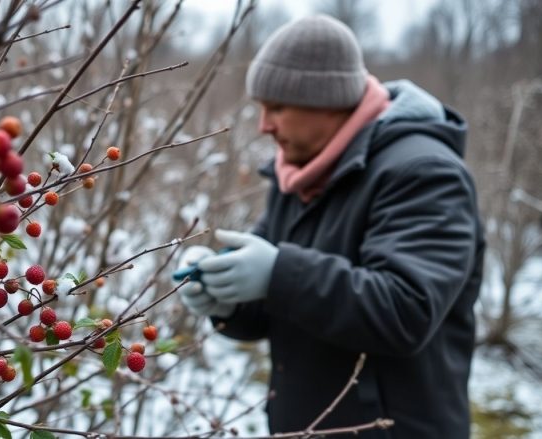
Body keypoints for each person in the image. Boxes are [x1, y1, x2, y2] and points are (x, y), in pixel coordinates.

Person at [174, 14, 485, 439]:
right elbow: (276, 300)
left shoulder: (424, 172)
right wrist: (222, 294)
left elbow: (406, 310)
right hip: (308, 427)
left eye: (277, 107)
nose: (264, 125)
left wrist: (277, 272)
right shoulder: (298, 173)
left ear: (328, 100)